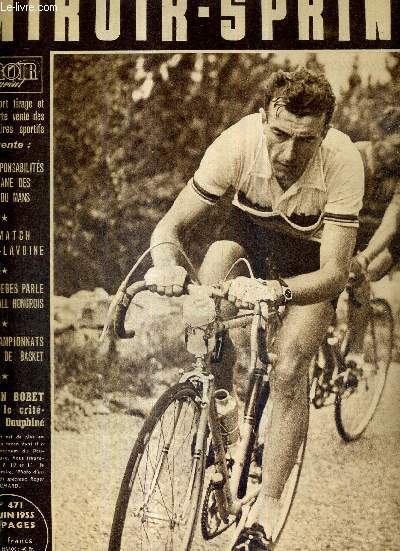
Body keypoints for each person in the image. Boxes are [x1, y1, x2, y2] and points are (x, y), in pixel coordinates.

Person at [144, 67, 364, 550]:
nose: (288, 154)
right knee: (214, 275)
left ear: (324, 134)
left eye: (305, 140)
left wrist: (277, 292)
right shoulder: (237, 142)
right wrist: (164, 264)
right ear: (264, 118)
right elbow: (168, 228)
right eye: (279, 134)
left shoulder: (344, 161)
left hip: (311, 260)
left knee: (287, 367)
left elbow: (333, 274)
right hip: (252, 237)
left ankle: (265, 512)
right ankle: (224, 421)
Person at [347, 107, 400, 362]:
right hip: (348, 227)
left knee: (360, 276)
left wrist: (365, 259)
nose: (399, 154)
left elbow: (391, 223)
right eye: (396, 145)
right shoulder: (352, 155)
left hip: (382, 239)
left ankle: (355, 354)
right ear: (378, 137)